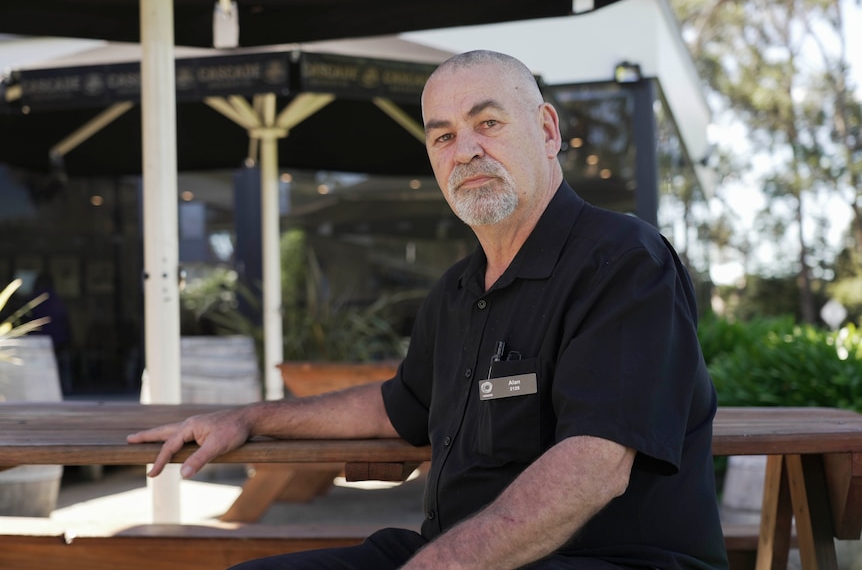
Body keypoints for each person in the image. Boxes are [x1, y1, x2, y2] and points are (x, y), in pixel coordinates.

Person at [128, 50, 728, 570]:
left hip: (604, 563)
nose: (464, 150)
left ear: (547, 131)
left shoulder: (622, 261)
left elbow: (595, 467)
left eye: (487, 123)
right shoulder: (459, 290)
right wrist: (252, 418)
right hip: (459, 554)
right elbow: (398, 407)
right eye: (442, 136)